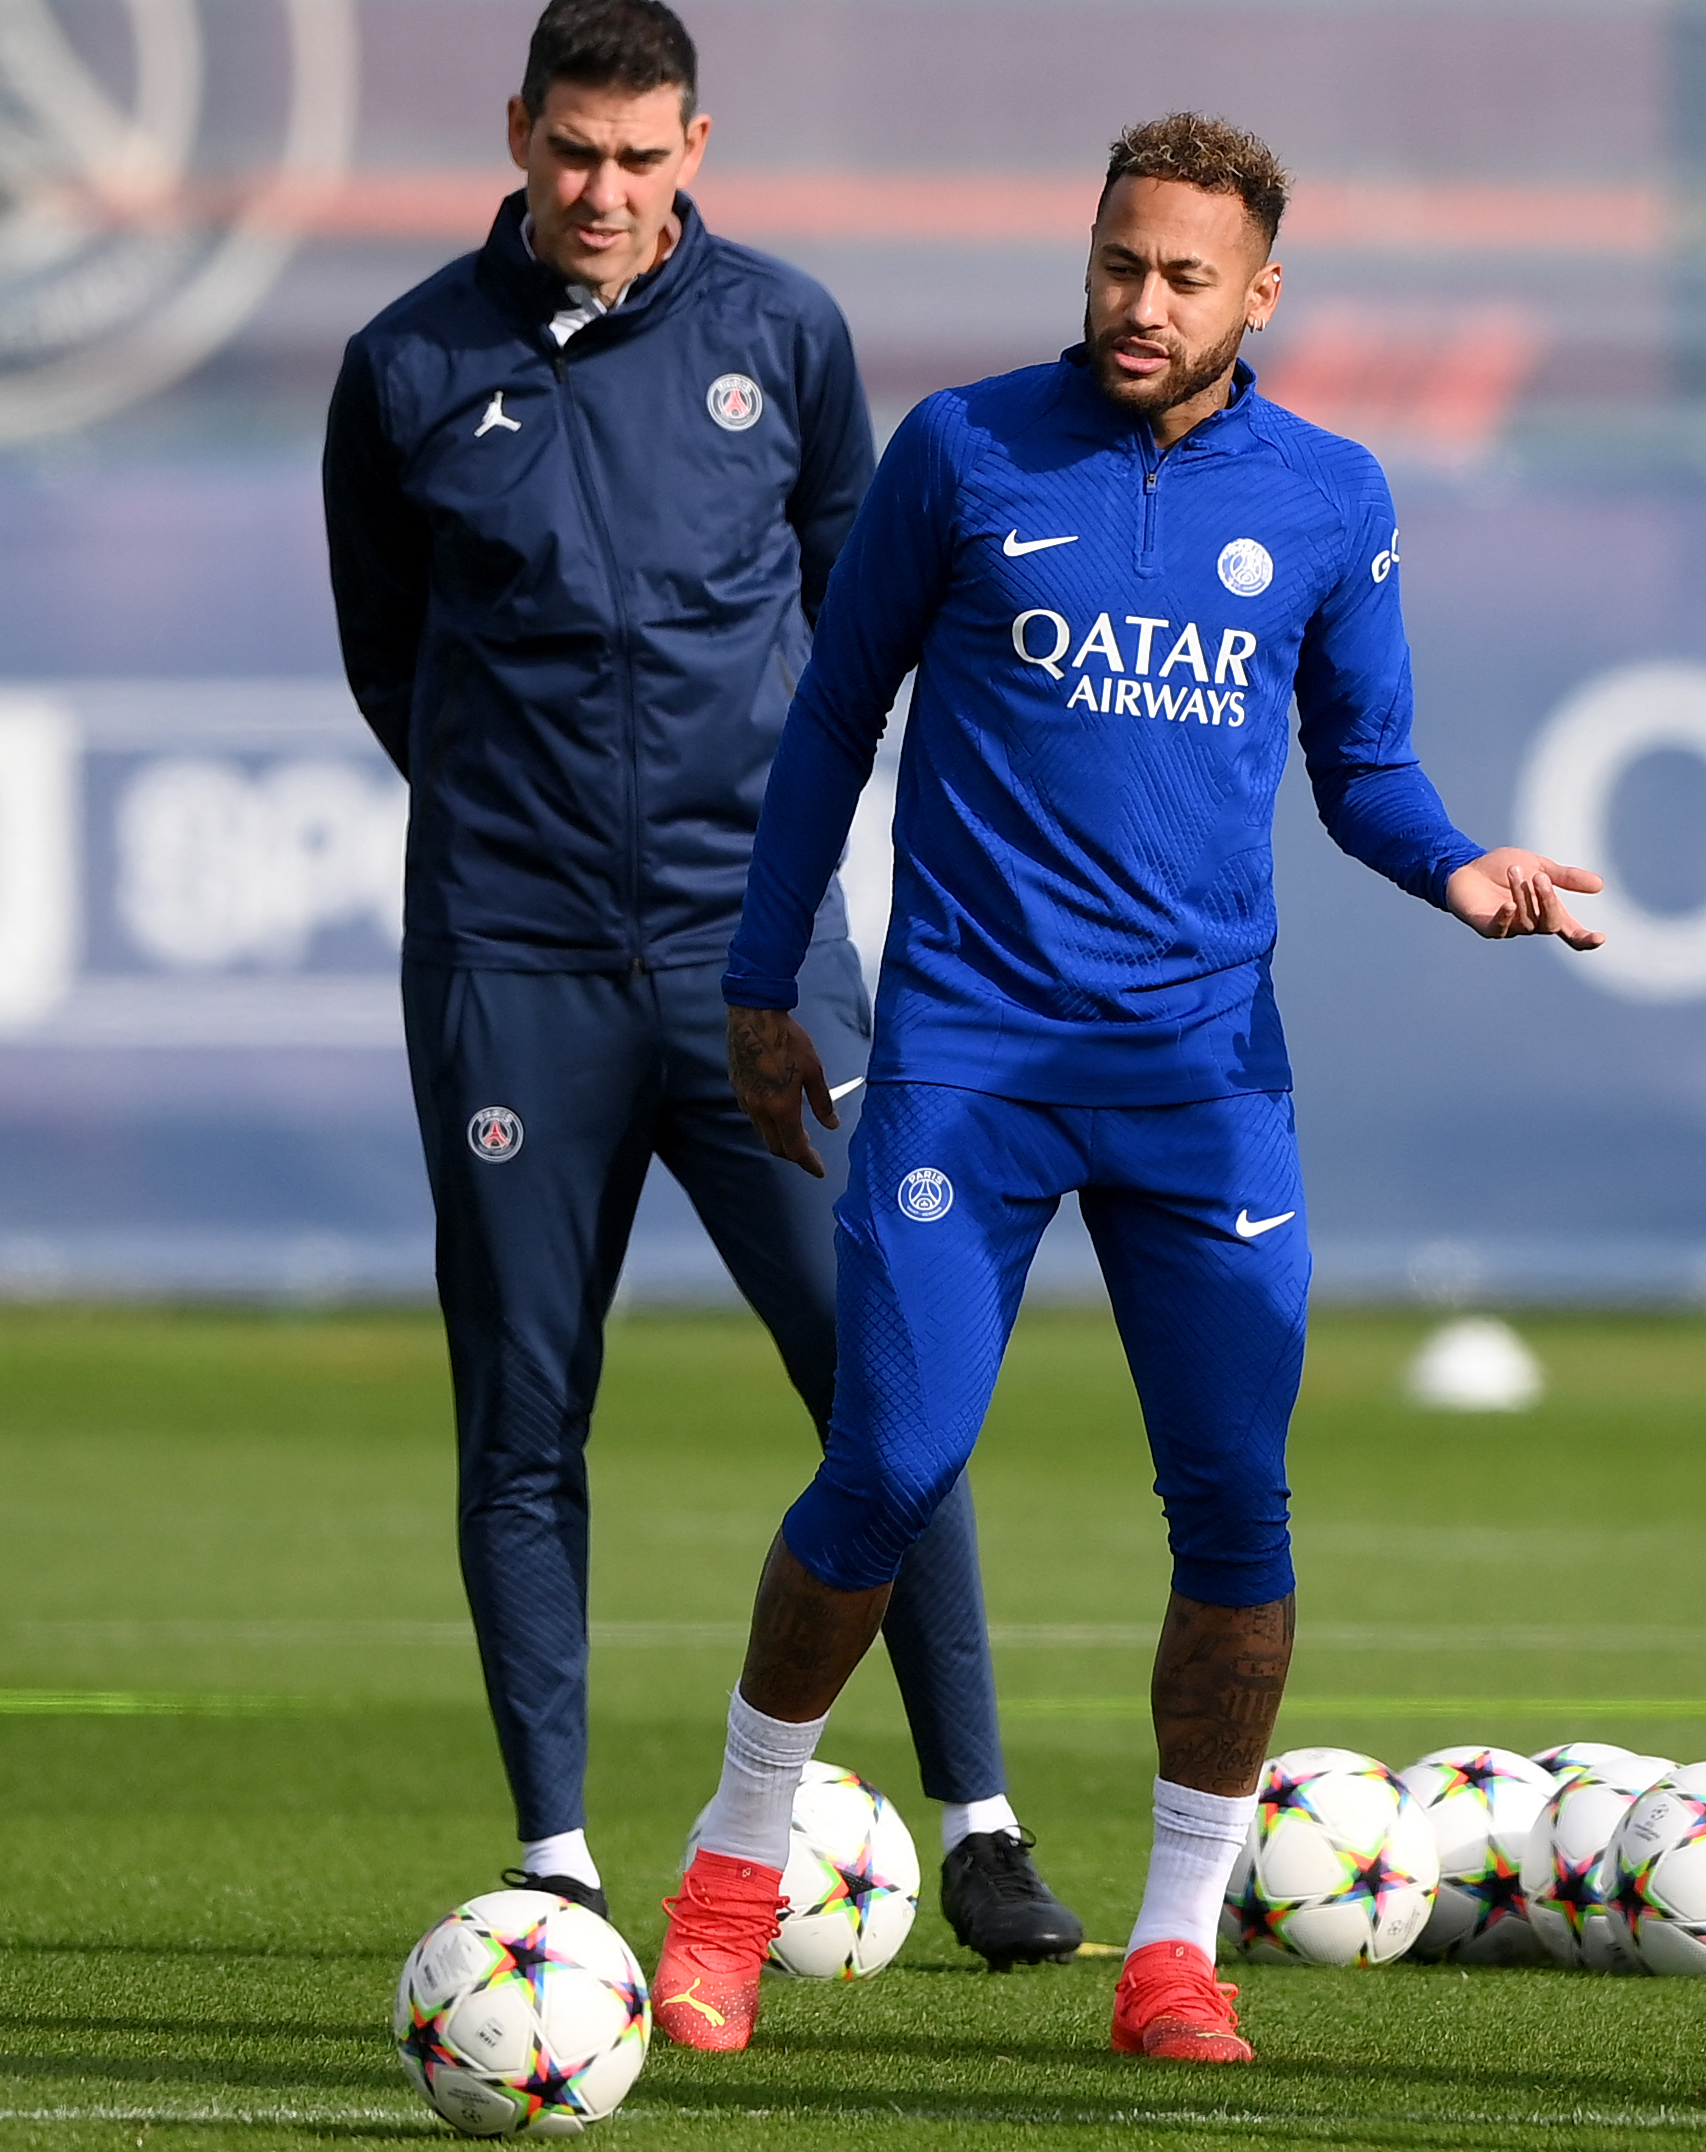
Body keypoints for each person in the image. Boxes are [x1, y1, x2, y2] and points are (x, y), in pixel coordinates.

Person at [647, 111, 1608, 2061]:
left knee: (1237, 1512)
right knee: (894, 1460)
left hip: (1200, 1082)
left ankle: (1177, 1946)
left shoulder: (1331, 495)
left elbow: (1368, 773)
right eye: (1115, 261)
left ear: (1264, 293)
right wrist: (764, 982)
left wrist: (1462, 867)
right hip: (969, 1063)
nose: (1139, 303)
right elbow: (834, 719)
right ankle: (733, 1875)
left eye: (1184, 276)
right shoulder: (964, 450)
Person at [321, 0, 1078, 1965]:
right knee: (520, 1415)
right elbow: (387, 660)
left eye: (646, 159)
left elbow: (855, 630)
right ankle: (557, 1853)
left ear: (696, 150)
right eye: (576, 152)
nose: (607, 193)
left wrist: (761, 884)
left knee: (887, 1386)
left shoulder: (785, 337)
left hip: (759, 971)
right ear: (517, 134)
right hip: (514, 969)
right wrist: (529, 835)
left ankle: (982, 1818)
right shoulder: (404, 364)